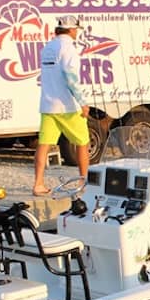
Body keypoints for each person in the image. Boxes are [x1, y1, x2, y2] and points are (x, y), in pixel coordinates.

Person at [33, 14, 89, 196]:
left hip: (48, 105)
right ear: (72, 30)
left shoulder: (48, 47)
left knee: (44, 144)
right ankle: (84, 181)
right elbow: (71, 76)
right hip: (67, 106)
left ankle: (38, 184)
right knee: (83, 142)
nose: (76, 33)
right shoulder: (69, 49)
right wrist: (83, 102)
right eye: (76, 30)